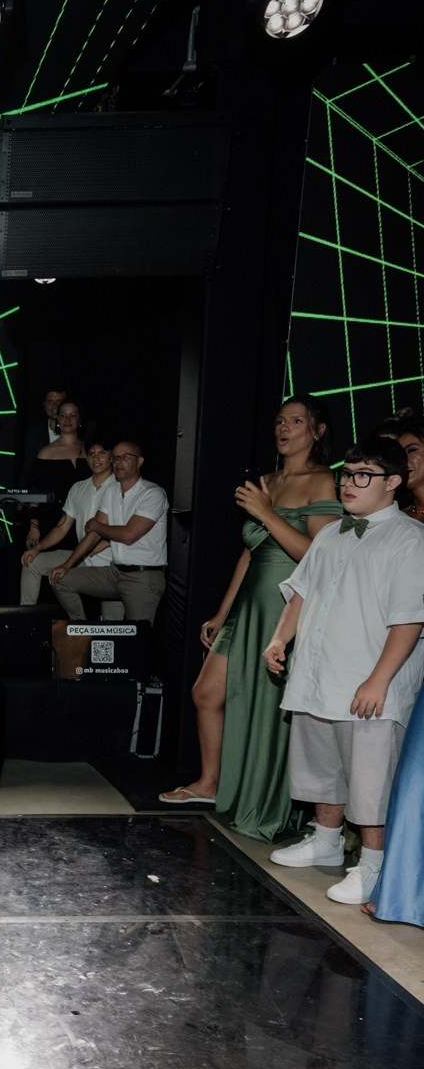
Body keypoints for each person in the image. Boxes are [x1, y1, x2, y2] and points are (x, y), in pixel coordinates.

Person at [159, 396, 340, 828]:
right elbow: (250, 550)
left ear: (317, 431)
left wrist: (266, 512)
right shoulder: (268, 479)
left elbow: (319, 558)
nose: (284, 428)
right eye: (280, 420)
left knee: (269, 709)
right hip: (248, 605)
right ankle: (209, 783)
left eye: (296, 421)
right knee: (206, 694)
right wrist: (223, 612)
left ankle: (268, 798)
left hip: (286, 607)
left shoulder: (324, 482)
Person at [266, 438, 424, 905]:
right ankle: (326, 841)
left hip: (369, 681)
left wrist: (379, 680)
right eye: (347, 474)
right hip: (319, 676)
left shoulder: (411, 540)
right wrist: (279, 638)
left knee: (370, 779)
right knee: (321, 769)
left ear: (393, 483)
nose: (349, 485)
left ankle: (373, 868)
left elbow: (410, 618)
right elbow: (301, 593)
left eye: (363, 476)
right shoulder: (331, 533)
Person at [363, 420, 424, 927]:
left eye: (413, 449)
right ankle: (399, 890)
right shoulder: (397, 518)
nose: (408, 457)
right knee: (414, 775)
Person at [48, 437, 168, 624]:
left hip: (143, 577)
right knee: (61, 578)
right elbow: (93, 535)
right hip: (114, 573)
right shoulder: (112, 491)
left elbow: (128, 535)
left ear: (140, 461)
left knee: (135, 642)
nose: (119, 462)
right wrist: (67, 565)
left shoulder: (152, 493)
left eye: (126, 457)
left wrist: (96, 525)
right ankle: (82, 629)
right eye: (116, 458)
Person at [20, 434, 123, 617]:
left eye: (101, 453)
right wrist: (38, 548)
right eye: (90, 453)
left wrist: (106, 543)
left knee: (111, 626)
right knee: (31, 561)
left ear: (111, 457)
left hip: (111, 563)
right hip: (81, 556)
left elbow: (128, 529)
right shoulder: (78, 488)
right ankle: (29, 621)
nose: (95, 458)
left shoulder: (122, 486)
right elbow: (62, 527)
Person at [21, 400, 91, 582]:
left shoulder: (91, 452)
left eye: (72, 415)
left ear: (80, 420)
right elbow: (34, 493)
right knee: (49, 576)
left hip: (85, 521)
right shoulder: (45, 453)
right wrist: (34, 527)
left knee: (78, 576)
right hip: (52, 522)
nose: (67, 419)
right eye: (63, 415)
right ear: (57, 420)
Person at [21, 385, 67, 478]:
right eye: (50, 402)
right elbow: (28, 469)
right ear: (45, 405)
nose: (55, 406)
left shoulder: (80, 431)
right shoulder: (34, 434)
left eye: (59, 401)